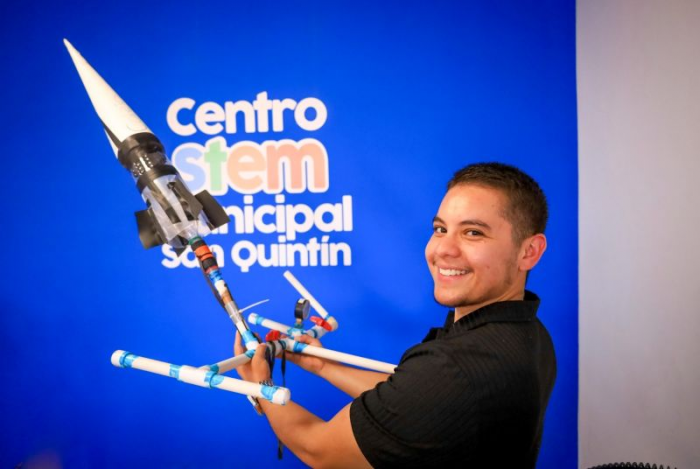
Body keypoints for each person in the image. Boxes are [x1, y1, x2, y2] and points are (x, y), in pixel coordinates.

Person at [235, 162, 556, 468]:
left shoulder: (454, 368)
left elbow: (318, 450)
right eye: (440, 229)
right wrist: (322, 366)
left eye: (473, 233)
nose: (443, 249)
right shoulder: (528, 332)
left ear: (529, 252)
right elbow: (417, 398)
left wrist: (260, 386)